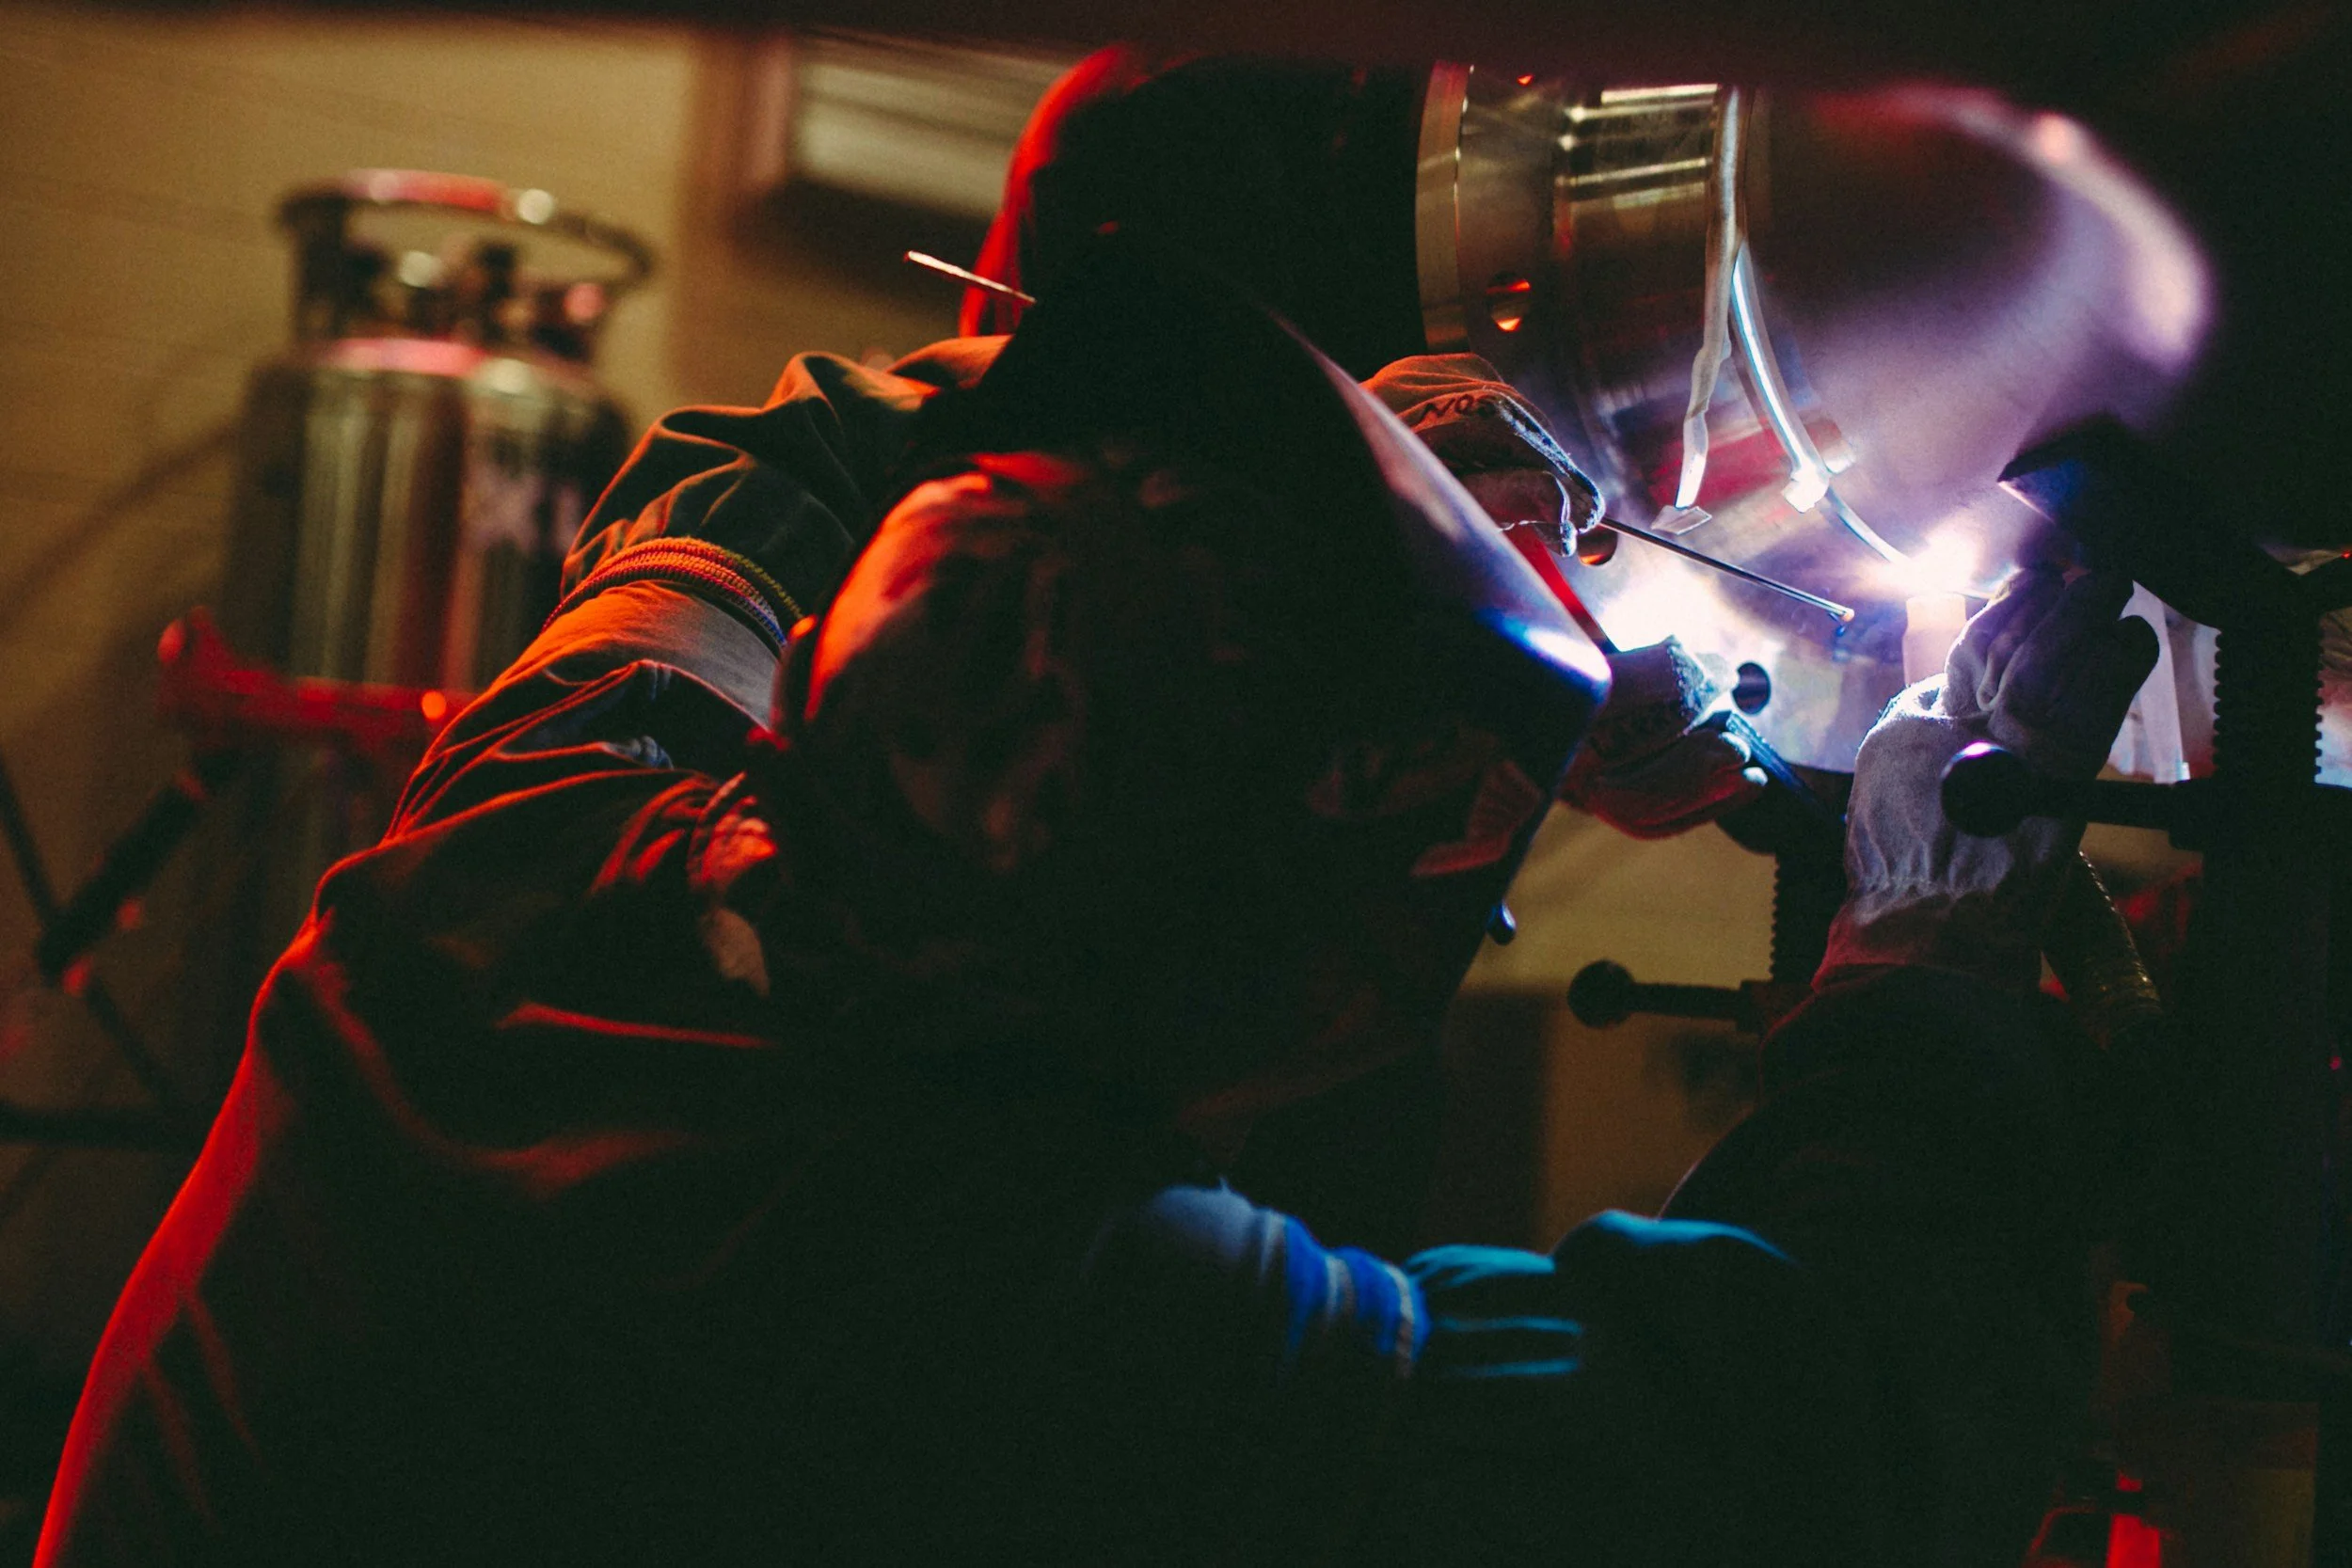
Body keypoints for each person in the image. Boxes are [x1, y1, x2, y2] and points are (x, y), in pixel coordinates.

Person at [38, 243, 2154, 1565]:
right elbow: (1815, 1440)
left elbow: (748, 483)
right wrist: (1929, 925)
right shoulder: (1034, 1317)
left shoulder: (521, 837)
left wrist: (1370, 471)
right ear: (1253, 943)